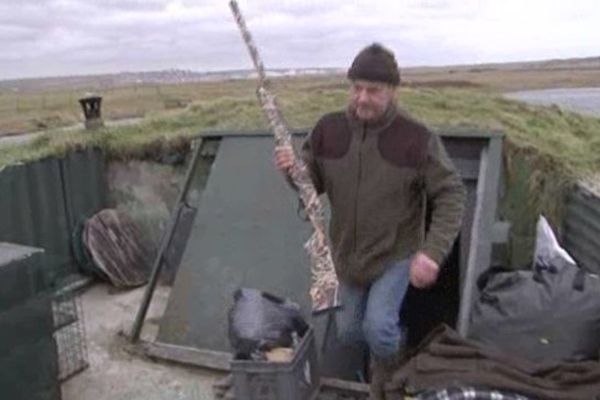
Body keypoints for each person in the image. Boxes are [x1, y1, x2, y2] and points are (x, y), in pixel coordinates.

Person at [274, 43, 466, 399]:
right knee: (349, 332)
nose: (362, 98)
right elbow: (311, 186)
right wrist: (292, 172)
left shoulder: (416, 138)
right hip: (348, 256)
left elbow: (452, 193)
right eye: (357, 87)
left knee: (378, 329)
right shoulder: (327, 130)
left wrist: (433, 253)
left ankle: (391, 384)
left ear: (393, 91)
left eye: (373, 90)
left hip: (396, 253)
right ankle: (390, 353)